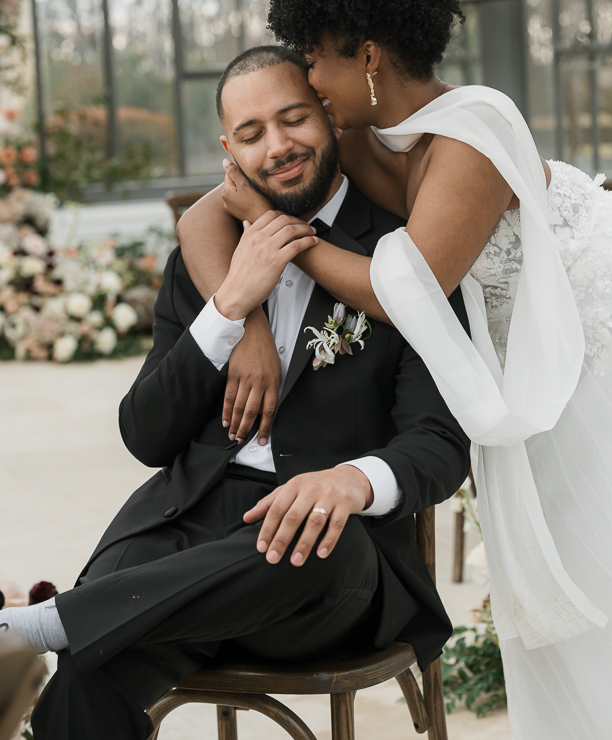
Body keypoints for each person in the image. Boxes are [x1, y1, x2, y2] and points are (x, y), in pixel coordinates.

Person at [178, 0, 612, 739]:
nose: (307, 79)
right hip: (538, 364)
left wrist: (279, 241)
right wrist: (252, 325)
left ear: (365, 54)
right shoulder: (363, 131)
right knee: (585, 577)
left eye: (315, 56)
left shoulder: (473, 128)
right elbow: (201, 220)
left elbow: (403, 284)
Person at [1, 46, 470, 740]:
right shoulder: (205, 259)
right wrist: (228, 312)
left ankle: (47, 622)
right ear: (229, 151)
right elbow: (146, 436)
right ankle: (72, 626)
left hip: (324, 561)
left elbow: (438, 442)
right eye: (251, 134)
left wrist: (350, 482)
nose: (276, 146)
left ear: (330, 119)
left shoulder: (403, 252)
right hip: (185, 532)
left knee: (317, 545)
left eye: (292, 120)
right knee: (89, 681)